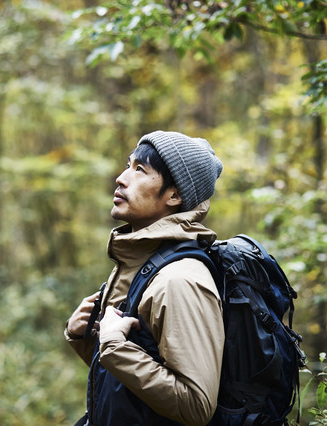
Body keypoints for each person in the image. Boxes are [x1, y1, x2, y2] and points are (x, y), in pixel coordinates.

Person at [65, 130, 225, 426]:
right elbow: (134, 388)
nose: (122, 178)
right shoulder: (142, 264)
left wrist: (113, 344)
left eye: (140, 170)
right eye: (128, 165)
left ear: (175, 195)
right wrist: (86, 339)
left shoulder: (179, 280)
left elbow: (195, 406)